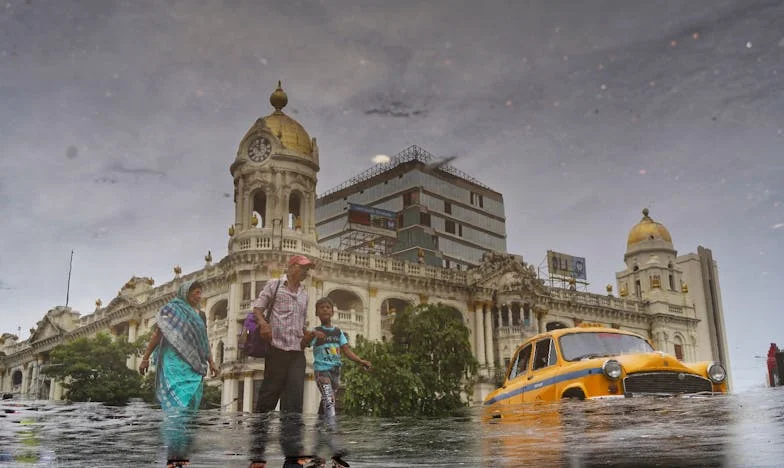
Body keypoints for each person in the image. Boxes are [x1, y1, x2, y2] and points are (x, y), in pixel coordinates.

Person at [250, 255, 322, 468]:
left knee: (294, 402)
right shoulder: (274, 285)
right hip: (277, 350)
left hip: (296, 353)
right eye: (302, 267)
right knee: (267, 400)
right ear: (291, 267)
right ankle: (257, 451)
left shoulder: (304, 294)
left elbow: (301, 323)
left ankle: (291, 455)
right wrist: (263, 324)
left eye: (307, 269)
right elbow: (257, 309)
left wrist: (308, 336)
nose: (305, 272)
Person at [139, 280, 219, 468]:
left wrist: (212, 362)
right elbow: (158, 335)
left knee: (190, 408)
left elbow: (204, 340)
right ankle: (172, 456)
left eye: (200, 293)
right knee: (177, 408)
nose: (198, 296)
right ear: (185, 293)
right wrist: (145, 358)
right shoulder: (171, 310)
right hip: (174, 364)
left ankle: (182, 454)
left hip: (194, 366)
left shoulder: (201, 315)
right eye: (195, 293)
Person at [304, 297, 372, 468]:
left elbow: (346, 350)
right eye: (321, 308)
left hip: (335, 373)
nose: (325, 310)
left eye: (328, 307)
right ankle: (337, 451)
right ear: (317, 312)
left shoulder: (337, 332)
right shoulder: (316, 331)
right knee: (330, 404)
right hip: (322, 372)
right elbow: (302, 344)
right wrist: (311, 334)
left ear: (332, 311)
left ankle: (317, 457)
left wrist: (361, 360)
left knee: (322, 413)